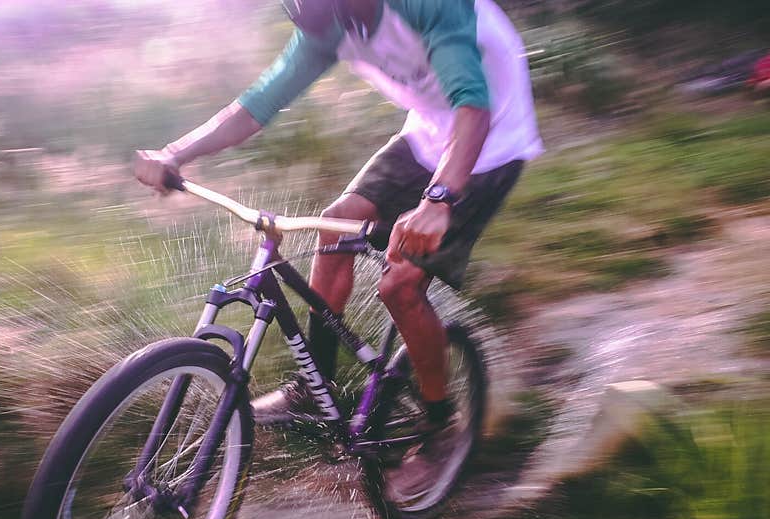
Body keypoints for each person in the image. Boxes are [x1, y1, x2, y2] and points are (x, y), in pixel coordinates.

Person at [135, 0, 542, 452]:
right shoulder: (328, 22)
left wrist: (438, 199)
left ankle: (440, 425)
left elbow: (472, 108)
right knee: (335, 226)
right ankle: (315, 388)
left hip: (491, 142)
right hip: (427, 133)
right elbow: (256, 106)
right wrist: (175, 154)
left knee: (400, 288)